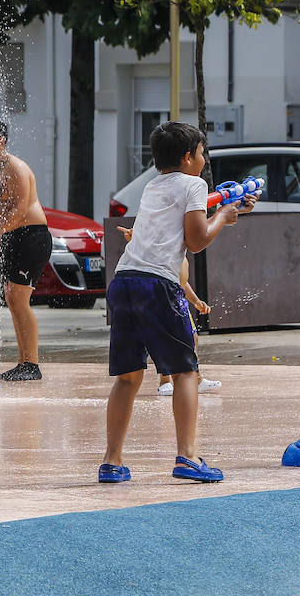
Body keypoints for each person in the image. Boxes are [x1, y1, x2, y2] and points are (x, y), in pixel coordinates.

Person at [99, 122, 255, 484]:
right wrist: (224, 216)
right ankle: (187, 457)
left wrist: (230, 210)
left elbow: (179, 226)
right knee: (186, 372)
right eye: (201, 152)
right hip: (158, 286)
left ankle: (112, 462)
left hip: (124, 282)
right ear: (188, 157)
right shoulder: (194, 183)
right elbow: (197, 239)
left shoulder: (154, 186)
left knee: (127, 377)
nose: (203, 160)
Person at [0, 122, 50, 382]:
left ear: (1, 140)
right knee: (12, 297)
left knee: (18, 297)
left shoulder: (15, 167)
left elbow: (18, 209)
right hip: (11, 236)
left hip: (32, 236)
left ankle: (31, 363)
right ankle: (24, 362)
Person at [114, 227, 223, 396]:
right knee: (163, 341)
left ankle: (197, 378)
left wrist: (195, 301)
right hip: (163, 298)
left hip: (178, 300)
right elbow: (148, 256)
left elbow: (183, 282)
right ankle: (165, 382)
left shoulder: (180, 251)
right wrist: (135, 240)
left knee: (192, 338)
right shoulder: (165, 248)